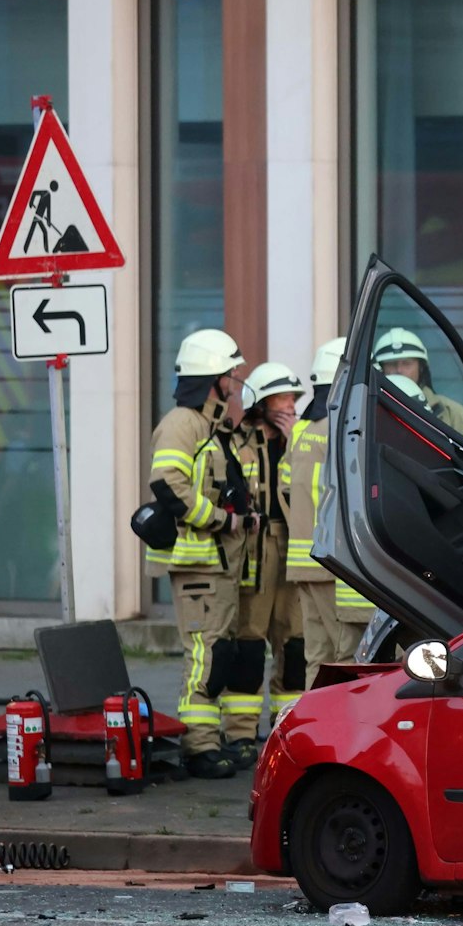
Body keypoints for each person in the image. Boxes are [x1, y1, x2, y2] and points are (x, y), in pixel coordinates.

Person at [144, 328, 250, 780]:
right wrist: (220, 520)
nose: (235, 383)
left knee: (219, 653)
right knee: (205, 656)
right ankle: (198, 746)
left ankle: (209, 739)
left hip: (218, 565)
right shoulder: (182, 424)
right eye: (231, 375)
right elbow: (166, 482)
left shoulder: (213, 426)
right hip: (198, 564)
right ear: (214, 378)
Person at [222, 360, 308, 771]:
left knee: (295, 644)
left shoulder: (303, 440)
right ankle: (240, 735)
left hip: (294, 546)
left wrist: (295, 442)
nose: (290, 405)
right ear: (260, 402)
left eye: (293, 398)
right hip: (255, 549)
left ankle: (286, 731)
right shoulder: (236, 442)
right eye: (282, 398)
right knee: (249, 643)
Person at [288, 338, 376, 684]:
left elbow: (285, 489)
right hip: (331, 563)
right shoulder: (343, 429)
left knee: (316, 656)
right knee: (343, 656)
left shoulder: (301, 431)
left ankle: (312, 714)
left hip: (303, 562)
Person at [371, 327, 463, 447]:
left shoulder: (451, 412)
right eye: (391, 364)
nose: (399, 370)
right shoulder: (369, 408)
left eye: (407, 363)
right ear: (380, 369)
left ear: (421, 368)